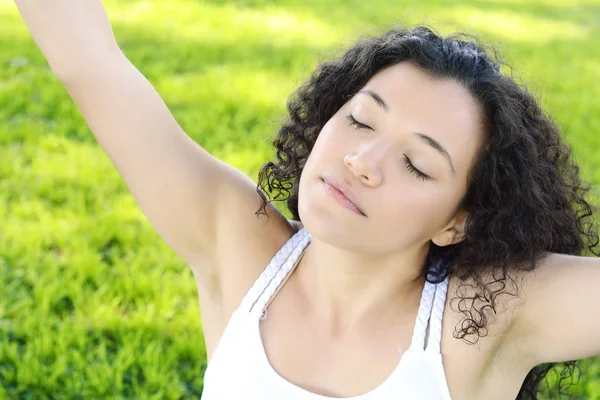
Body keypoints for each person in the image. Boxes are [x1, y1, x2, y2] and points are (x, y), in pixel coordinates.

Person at [12, 1, 600, 399]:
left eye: (416, 164)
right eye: (361, 121)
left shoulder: (491, 313)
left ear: (457, 222)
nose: (361, 162)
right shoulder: (237, 241)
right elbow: (90, 63)